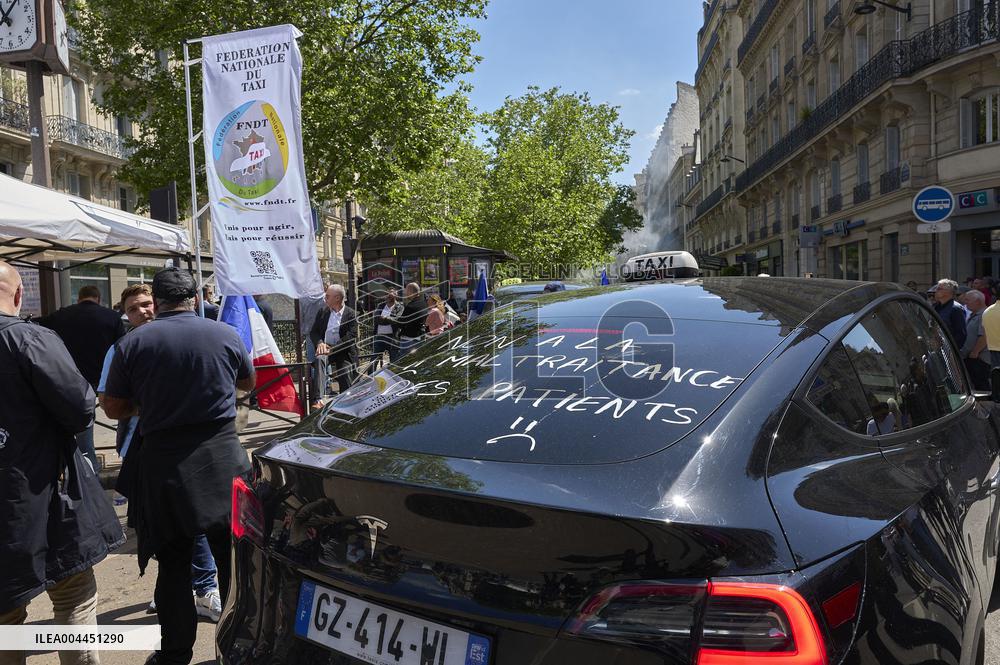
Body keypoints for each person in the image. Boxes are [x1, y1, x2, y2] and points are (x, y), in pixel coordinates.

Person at [102, 268, 255, 665]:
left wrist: (149, 402)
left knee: (172, 566)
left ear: (158, 299)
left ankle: (174, 655)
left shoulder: (133, 342)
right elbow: (248, 383)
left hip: (166, 465)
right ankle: (238, 648)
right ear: (192, 297)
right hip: (223, 459)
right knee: (233, 564)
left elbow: (113, 406)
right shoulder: (224, 333)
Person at [0, 262, 124, 665]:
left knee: (6, 617)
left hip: (26, 497)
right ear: (19, 296)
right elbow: (78, 407)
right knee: (73, 599)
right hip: (44, 497)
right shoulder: (28, 338)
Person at [97, 284, 222, 622]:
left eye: (148, 304)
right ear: (126, 314)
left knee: (193, 520)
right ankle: (171, 588)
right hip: (140, 447)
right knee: (152, 522)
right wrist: (150, 406)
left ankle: (205, 588)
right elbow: (108, 401)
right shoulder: (121, 349)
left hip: (191, 447)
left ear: (160, 304)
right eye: (135, 308)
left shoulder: (186, 339)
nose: (144, 312)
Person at [37, 285, 126, 471]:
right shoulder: (111, 316)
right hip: (102, 377)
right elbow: (121, 348)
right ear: (98, 298)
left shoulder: (61, 315)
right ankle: (90, 467)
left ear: (79, 298)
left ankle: (78, 466)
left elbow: (37, 326)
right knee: (97, 421)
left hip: (70, 377)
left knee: (73, 423)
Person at [309, 284, 358, 407]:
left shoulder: (351, 314)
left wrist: (332, 349)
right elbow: (313, 332)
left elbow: (351, 337)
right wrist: (320, 343)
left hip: (343, 351)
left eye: (327, 296)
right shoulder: (323, 312)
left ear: (337, 298)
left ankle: (347, 402)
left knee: (345, 371)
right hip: (326, 349)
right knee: (319, 359)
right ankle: (318, 399)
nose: (325, 298)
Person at [959, 289, 991, 390]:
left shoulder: (984, 314)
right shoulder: (974, 314)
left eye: (968, 300)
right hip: (972, 358)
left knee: (981, 386)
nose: (965, 302)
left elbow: (984, 336)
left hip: (979, 359)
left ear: (978, 301)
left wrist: (975, 351)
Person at [931, 279, 967, 350]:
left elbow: (961, 334)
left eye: (939, 289)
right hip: (936, 349)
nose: (935, 291)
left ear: (949, 292)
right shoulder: (935, 307)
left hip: (949, 351)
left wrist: (952, 351)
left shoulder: (956, 309)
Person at [396, 282, 428, 355]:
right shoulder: (424, 304)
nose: (405, 293)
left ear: (410, 292)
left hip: (408, 341)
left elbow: (401, 323)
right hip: (420, 338)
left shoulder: (411, 306)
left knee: (404, 362)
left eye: (406, 290)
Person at [374, 289, 403, 363]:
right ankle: (371, 374)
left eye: (390, 295)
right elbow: (376, 319)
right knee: (374, 360)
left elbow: (397, 319)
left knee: (394, 361)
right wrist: (389, 320)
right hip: (380, 337)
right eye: (387, 295)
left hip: (392, 338)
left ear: (396, 296)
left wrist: (385, 318)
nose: (388, 296)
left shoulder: (400, 307)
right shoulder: (380, 306)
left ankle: (394, 374)